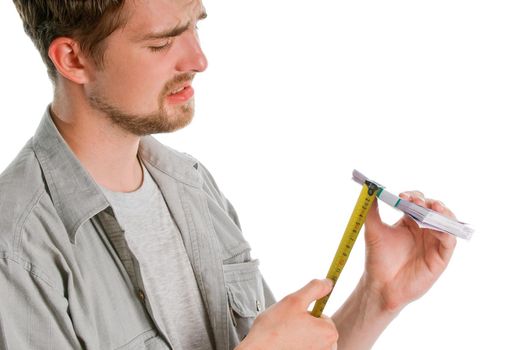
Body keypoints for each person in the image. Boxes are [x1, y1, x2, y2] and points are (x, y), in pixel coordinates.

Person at [0, 1, 457, 349]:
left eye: (195, 26)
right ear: (73, 60)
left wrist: (378, 299)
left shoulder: (193, 185)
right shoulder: (17, 248)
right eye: (161, 43)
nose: (198, 59)